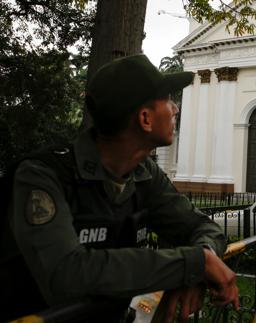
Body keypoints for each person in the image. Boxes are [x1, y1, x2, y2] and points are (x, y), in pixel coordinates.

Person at [0, 54, 239, 322]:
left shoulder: (143, 173)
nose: (176, 109)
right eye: (168, 100)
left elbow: (201, 228)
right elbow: (66, 274)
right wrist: (191, 264)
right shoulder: (41, 176)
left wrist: (200, 266)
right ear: (146, 118)